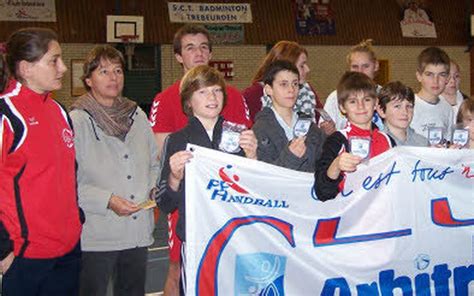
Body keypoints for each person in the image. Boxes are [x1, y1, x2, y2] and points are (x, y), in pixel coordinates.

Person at [148, 24, 251, 296]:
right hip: (190, 218)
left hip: (229, 217)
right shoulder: (168, 108)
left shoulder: (234, 99)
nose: (199, 52)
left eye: (204, 46)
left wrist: (252, 156)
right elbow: (165, 183)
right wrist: (174, 176)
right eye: (190, 47)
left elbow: (246, 167)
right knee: (179, 272)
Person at [69, 45, 159, 296]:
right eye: (104, 71)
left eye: (118, 70)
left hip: (137, 230)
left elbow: (154, 162)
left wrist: (152, 188)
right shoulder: (77, 120)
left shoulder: (137, 114)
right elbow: (67, 181)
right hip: (97, 233)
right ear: (88, 80)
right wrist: (107, 200)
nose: (113, 77)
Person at [0, 27, 82, 295]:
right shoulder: (7, 115)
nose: (63, 68)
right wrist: (2, 249)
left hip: (68, 249)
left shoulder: (58, 110)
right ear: (26, 68)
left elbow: (68, 172)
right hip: (26, 255)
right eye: (54, 60)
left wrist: (75, 219)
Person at [314, 71, 395, 202]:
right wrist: (336, 166)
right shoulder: (336, 140)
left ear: (375, 104)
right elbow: (322, 192)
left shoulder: (388, 140)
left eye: (367, 100)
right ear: (342, 107)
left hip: (382, 217)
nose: (361, 106)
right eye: (353, 101)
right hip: (350, 218)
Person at [243, 41, 334, 134]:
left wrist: (323, 132)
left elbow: (318, 126)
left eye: (295, 85)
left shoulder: (307, 92)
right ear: (286, 66)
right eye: (302, 65)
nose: (307, 69)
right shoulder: (252, 95)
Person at [252, 60, 325, 171]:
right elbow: (264, 176)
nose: (291, 90)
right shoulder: (260, 129)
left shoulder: (310, 127)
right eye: (283, 84)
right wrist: (291, 156)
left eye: (295, 84)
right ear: (268, 89)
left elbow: (324, 166)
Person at [323, 39, 384, 130]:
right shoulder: (335, 98)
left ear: (376, 66)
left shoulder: (385, 96)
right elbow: (324, 132)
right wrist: (327, 132)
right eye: (355, 67)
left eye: (365, 66)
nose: (360, 72)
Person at [410, 47, 453, 141]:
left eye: (442, 75)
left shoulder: (447, 108)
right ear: (419, 76)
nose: (435, 81)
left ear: (448, 78)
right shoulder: (409, 106)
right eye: (429, 74)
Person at [376, 81, 427, 146]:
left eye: (409, 106)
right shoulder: (376, 144)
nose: (405, 112)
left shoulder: (423, 143)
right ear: (381, 111)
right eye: (397, 106)